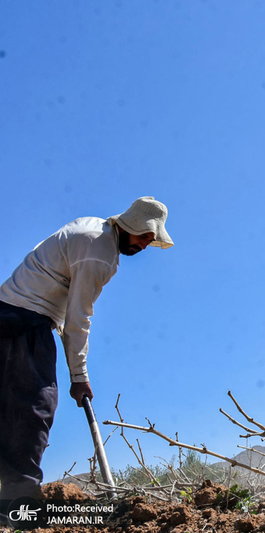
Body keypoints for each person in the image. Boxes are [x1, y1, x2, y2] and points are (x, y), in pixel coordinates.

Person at [0, 196, 173, 508]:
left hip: (8, 313)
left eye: (151, 239)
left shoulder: (94, 227)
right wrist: (79, 376)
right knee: (34, 406)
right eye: (145, 236)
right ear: (131, 225)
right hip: (26, 320)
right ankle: (18, 503)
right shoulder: (101, 253)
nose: (146, 245)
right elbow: (78, 319)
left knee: (8, 407)